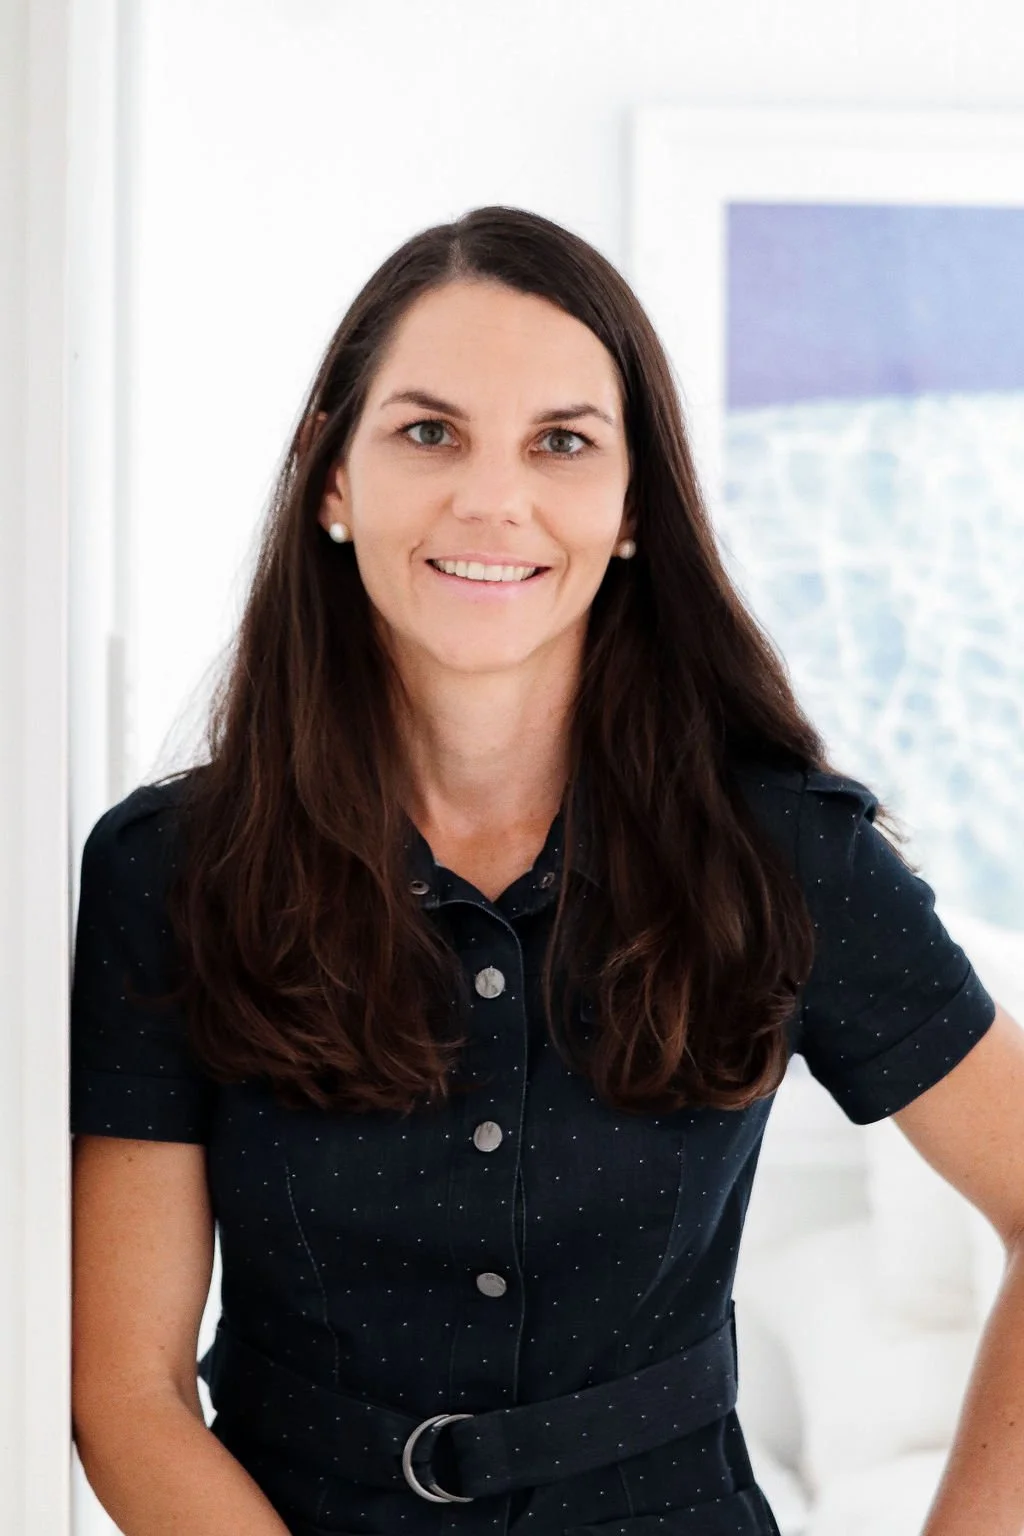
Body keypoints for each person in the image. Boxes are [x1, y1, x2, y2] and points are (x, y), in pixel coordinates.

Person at [69, 206, 1024, 1536]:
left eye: (562, 442)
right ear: (332, 477)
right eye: (429, 431)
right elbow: (126, 1389)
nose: (492, 499)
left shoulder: (787, 858)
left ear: (633, 508)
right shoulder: (165, 874)